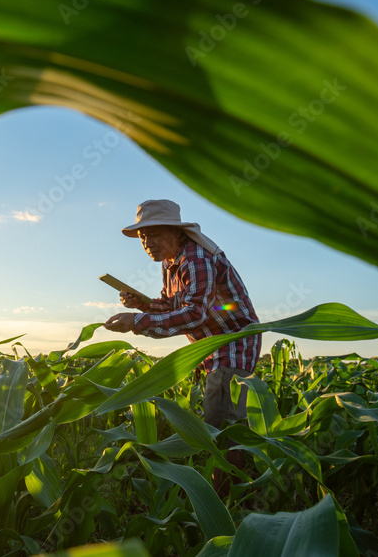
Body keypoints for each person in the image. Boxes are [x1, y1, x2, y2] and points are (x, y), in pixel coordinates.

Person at [103, 199, 262, 497]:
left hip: (232, 342)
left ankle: (227, 501)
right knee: (222, 422)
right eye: (143, 238)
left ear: (176, 232)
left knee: (220, 425)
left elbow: (195, 314)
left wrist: (137, 320)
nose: (147, 243)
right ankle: (239, 487)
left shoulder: (196, 258)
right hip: (210, 347)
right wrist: (144, 304)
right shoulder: (171, 262)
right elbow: (170, 304)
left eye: (154, 234)